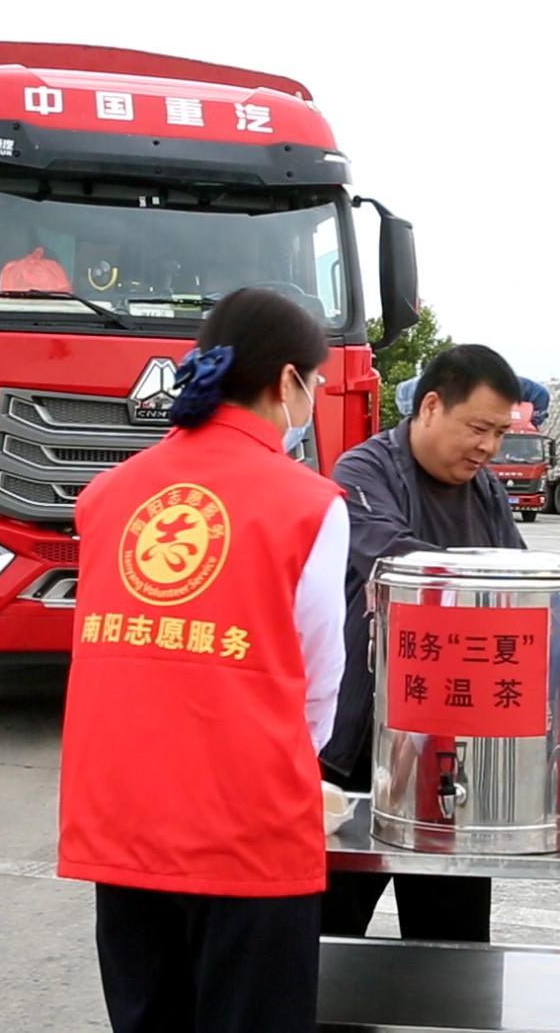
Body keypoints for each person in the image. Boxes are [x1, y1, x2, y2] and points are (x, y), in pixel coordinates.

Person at [58, 287, 347, 1033]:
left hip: (123, 818)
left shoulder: (108, 493)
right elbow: (319, 675)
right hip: (247, 828)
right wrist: (297, 772)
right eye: (316, 382)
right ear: (288, 381)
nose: (315, 397)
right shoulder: (310, 502)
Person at [320, 344, 525, 942]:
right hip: (361, 748)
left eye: (499, 433)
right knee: (329, 936)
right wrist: (494, 584)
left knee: (452, 946)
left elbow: (519, 578)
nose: (489, 448)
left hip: (453, 756)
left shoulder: (486, 490)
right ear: (431, 406)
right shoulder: (364, 471)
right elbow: (394, 561)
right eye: (479, 429)